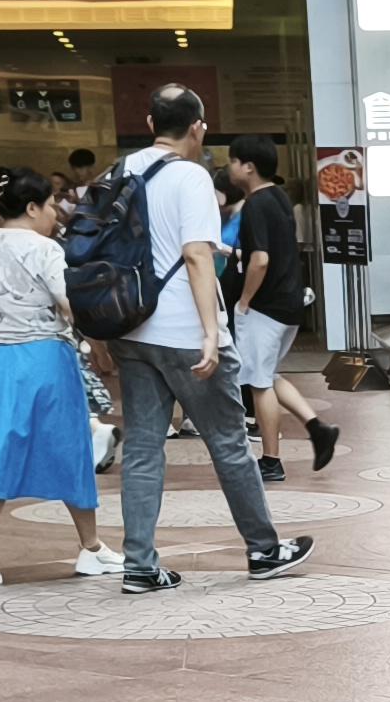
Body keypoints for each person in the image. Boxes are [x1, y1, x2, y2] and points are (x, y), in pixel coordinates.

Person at [93, 85, 310, 596]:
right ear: (198, 127)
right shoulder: (189, 178)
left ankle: (140, 565)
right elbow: (196, 256)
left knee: (144, 449)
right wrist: (212, 331)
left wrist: (96, 331)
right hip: (185, 334)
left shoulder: (115, 174)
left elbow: (89, 256)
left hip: (128, 328)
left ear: (149, 122)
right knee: (230, 444)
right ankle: (262, 549)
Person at [0, 167, 108, 586]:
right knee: (70, 449)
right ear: (33, 207)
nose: (54, 212)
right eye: (51, 204)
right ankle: (90, 549)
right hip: (45, 358)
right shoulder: (47, 249)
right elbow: (68, 301)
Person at [220, 135, 340, 470]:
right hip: (288, 304)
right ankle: (318, 429)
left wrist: (244, 301)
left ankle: (271, 460)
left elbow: (260, 260)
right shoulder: (279, 198)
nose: (229, 167)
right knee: (267, 374)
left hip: (265, 306)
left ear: (248, 167)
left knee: (259, 384)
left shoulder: (256, 203)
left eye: (232, 161)